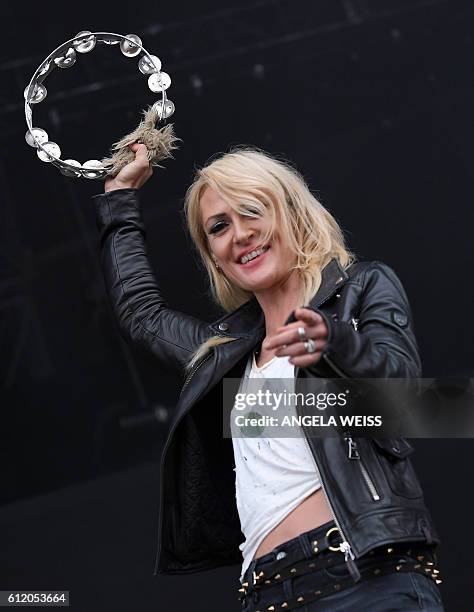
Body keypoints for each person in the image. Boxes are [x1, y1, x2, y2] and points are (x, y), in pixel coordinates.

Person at [93, 143, 445, 611]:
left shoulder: (363, 290)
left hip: (365, 581)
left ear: (291, 213)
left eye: (252, 211)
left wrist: (334, 346)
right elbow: (140, 313)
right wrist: (120, 197)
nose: (239, 234)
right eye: (218, 227)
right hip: (266, 594)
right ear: (214, 256)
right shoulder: (224, 356)